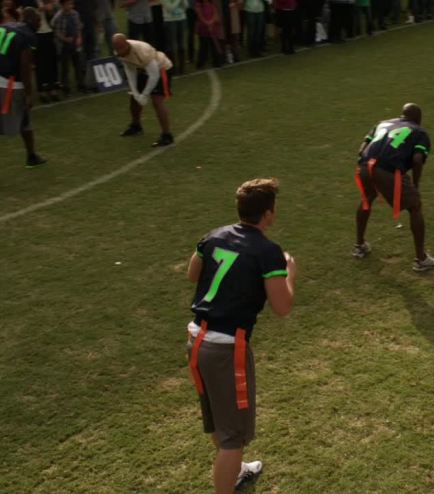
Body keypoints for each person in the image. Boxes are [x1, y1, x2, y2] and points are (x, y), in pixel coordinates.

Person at [186, 178, 296, 493]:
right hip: (226, 348)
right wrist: (289, 273)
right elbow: (282, 307)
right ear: (268, 213)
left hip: (196, 339)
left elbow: (192, 274)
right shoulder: (268, 252)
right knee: (234, 437)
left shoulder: (213, 236)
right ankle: (229, 477)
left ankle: (235, 470)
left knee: (219, 420)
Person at [353, 103, 434, 272]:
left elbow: (362, 148)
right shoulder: (419, 132)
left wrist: (364, 166)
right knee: (415, 206)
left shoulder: (382, 123)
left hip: (364, 166)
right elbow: (417, 159)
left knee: (366, 199)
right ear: (419, 119)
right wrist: (415, 185)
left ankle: (359, 246)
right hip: (387, 170)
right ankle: (421, 259)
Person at [0, 8, 46, 167]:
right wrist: (28, 93)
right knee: (24, 120)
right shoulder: (29, 37)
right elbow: (25, 67)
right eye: (38, 20)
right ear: (31, 20)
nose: (40, 24)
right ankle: (31, 156)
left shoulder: (7, 26)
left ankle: (32, 156)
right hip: (10, 84)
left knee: (24, 120)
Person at [113, 33, 175, 147]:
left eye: (121, 48)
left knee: (157, 101)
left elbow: (154, 75)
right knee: (134, 99)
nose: (119, 52)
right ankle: (136, 126)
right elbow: (130, 71)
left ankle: (167, 135)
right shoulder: (120, 52)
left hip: (161, 68)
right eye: (117, 49)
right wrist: (135, 92)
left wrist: (144, 94)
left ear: (126, 44)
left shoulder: (142, 51)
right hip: (142, 69)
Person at [51, 0, 85, 95]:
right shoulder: (58, 17)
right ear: (62, 5)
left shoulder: (75, 14)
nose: (70, 6)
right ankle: (65, 87)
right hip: (64, 46)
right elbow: (56, 32)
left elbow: (78, 27)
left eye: (71, 4)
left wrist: (79, 37)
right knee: (65, 67)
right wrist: (65, 39)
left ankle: (81, 84)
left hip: (75, 43)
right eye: (68, 4)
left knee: (78, 64)